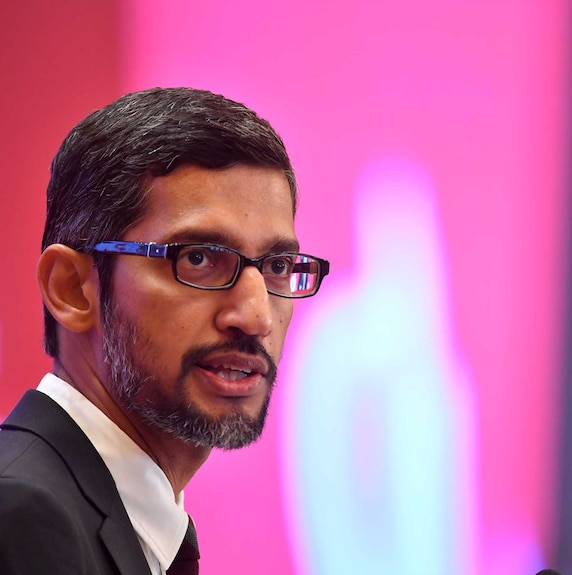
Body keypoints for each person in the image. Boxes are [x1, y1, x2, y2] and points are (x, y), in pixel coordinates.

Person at [0, 87, 329, 574]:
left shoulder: (116, 517)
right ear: (71, 289)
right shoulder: (19, 516)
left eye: (277, 266)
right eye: (198, 259)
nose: (257, 317)